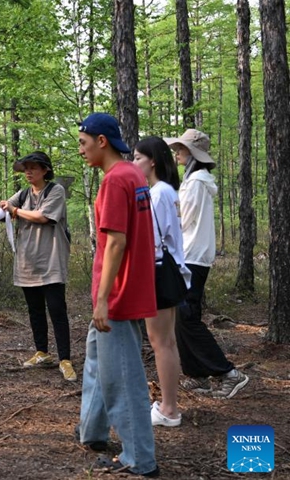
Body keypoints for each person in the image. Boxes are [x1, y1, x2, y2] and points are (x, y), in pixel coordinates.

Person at [76, 113, 159, 477]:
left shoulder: (115, 181)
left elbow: (116, 244)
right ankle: (92, 433)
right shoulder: (133, 174)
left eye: (83, 142)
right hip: (123, 290)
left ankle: (139, 458)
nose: (81, 149)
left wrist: (103, 300)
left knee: (122, 378)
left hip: (118, 296)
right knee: (98, 363)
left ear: (102, 141)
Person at [0, 151, 76, 382]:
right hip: (27, 261)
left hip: (50, 259)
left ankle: (65, 359)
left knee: (57, 310)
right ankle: (42, 352)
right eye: (26, 168)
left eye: (34, 168)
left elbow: (43, 217)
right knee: (35, 309)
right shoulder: (23, 194)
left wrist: (14, 211)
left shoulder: (56, 191)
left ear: (45, 170)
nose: (29, 172)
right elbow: (4, 208)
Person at [164, 129, 249, 399]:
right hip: (189, 255)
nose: (177, 152)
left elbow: (183, 220)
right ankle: (198, 375)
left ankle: (227, 373)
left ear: (193, 154)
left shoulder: (198, 181)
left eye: (182, 148)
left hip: (192, 256)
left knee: (188, 316)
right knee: (182, 316)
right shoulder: (193, 179)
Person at [133, 137, 192, 427]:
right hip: (168, 272)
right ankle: (169, 404)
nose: (134, 164)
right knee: (165, 341)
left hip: (159, 273)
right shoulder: (165, 191)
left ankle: (169, 409)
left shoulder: (158, 193)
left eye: (137, 158)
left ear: (152, 161)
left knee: (161, 342)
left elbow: (153, 241)